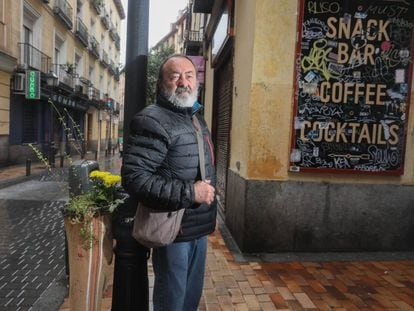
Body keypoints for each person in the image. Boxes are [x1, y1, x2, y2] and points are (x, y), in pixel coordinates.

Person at [121, 54, 217, 311]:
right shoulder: (152, 120)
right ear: (162, 84)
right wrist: (191, 192)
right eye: (174, 76)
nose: (183, 82)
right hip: (174, 230)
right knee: (172, 302)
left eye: (188, 75)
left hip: (199, 227)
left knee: (189, 301)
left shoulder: (195, 117)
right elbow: (135, 178)